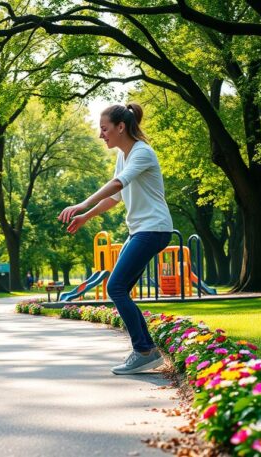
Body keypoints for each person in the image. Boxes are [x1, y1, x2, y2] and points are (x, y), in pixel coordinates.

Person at [58, 103, 173, 375]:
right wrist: (88, 216)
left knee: (116, 287)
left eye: (104, 129)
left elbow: (118, 184)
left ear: (121, 127)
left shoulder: (142, 152)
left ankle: (144, 350)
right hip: (142, 230)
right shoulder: (124, 156)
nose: (101, 135)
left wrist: (82, 205)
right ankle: (146, 350)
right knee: (119, 288)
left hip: (153, 229)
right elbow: (115, 197)